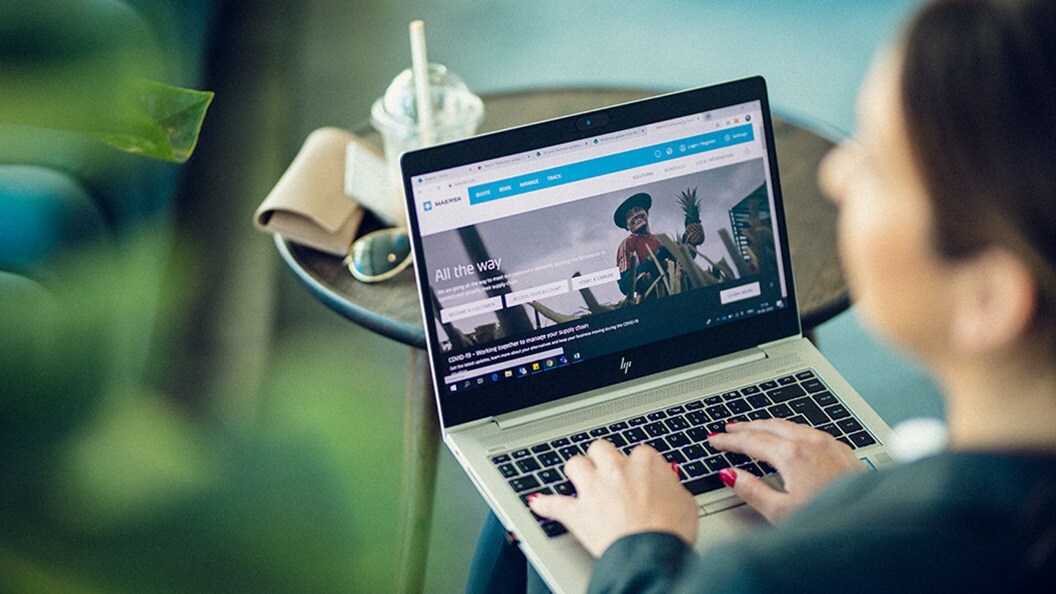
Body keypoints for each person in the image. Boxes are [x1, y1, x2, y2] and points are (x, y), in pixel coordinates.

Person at [469, 0, 1056, 591]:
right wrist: (853, 503)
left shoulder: (757, 579)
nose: (833, 173)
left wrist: (637, 551)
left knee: (522, 522)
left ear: (989, 299)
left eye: (876, 161)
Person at [614, 192, 703, 299]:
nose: (635, 215)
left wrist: (689, 239)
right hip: (653, 301)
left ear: (647, 213)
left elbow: (684, 263)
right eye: (629, 215)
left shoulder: (661, 240)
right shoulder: (627, 244)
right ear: (627, 226)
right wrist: (657, 256)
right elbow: (625, 284)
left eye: (637, 209)